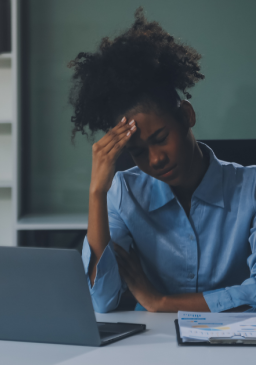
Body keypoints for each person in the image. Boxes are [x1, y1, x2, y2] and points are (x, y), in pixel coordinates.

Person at [68, 8, 256, 313]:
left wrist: (161, 302)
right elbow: (102, 300)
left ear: (186, 116)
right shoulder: (124, 193)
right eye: (138, 152)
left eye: (159, 138)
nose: (155, 159)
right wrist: (97, 193)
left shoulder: (251, 188)